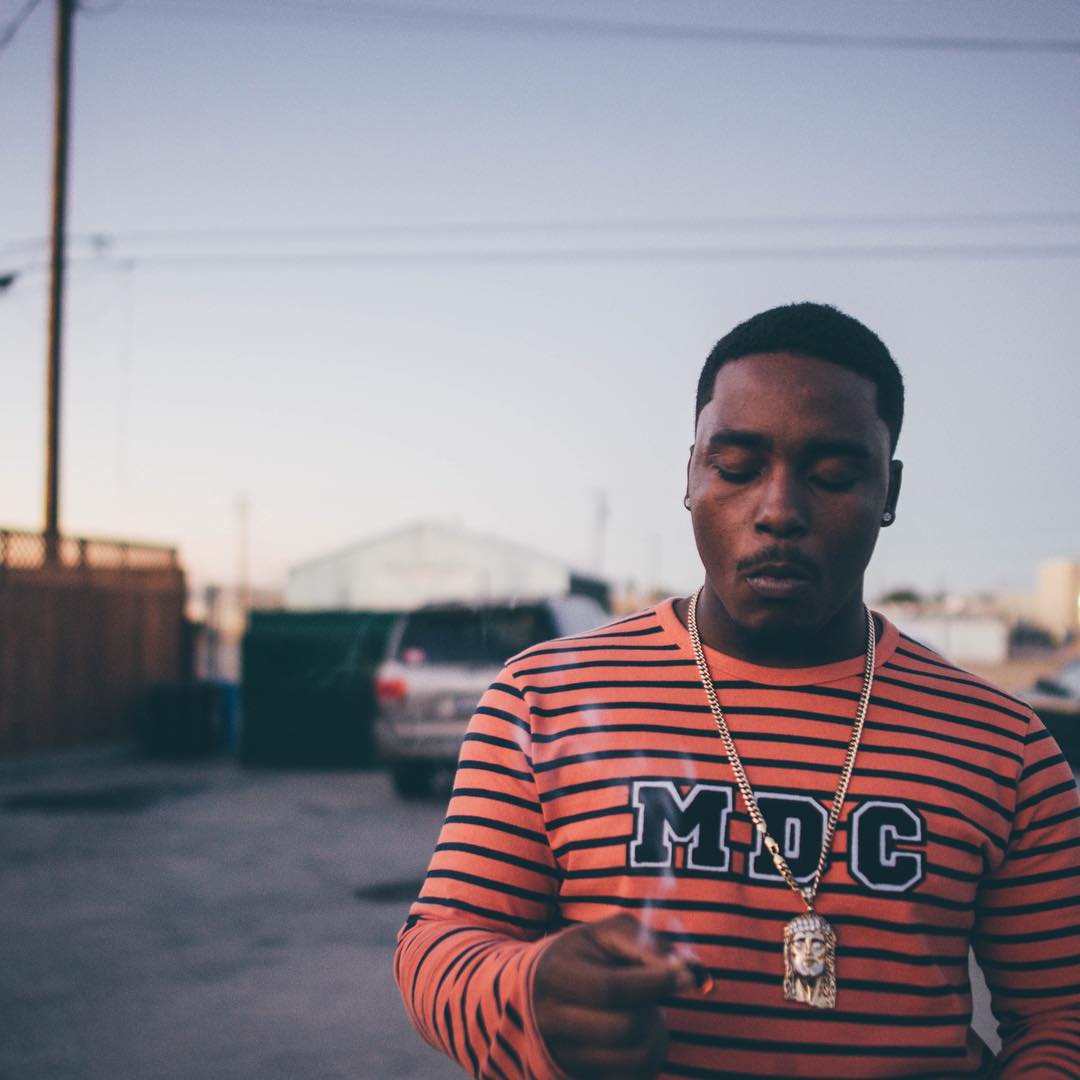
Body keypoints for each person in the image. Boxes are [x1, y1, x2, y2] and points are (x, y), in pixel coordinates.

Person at [393, 302, 1080, 1077]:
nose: (779, 511)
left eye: (832, 476)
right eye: (737, 468)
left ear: (888, 490)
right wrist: (529, 991)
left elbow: (1060, 1014)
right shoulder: (541, 700)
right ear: (691, 475)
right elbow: (440, 943)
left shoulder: (1005, 746)